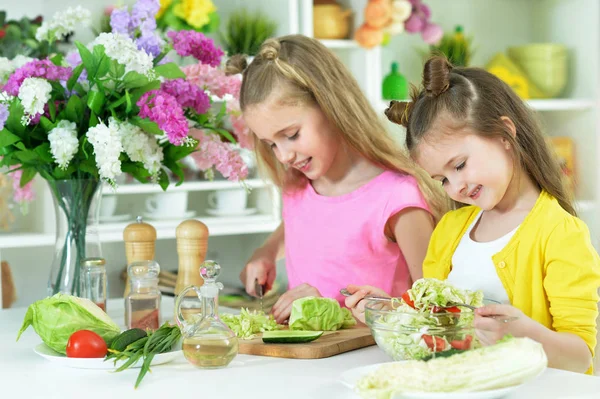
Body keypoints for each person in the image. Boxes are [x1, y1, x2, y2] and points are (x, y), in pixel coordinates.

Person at [346, 56, 600, 374]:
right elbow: (434, 319)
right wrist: (392, 309)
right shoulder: (450, 230)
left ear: (505, 134)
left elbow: (580, 357)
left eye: (460, 165)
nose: (456, 188)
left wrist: (524, 333)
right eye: (442, 179)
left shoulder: (561, 234)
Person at [225, 35, 448, 324]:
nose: (283, 156)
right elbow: (306, 224)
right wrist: (265, 252)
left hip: (371, 362)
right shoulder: (299, 186)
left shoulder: (397, 199)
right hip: (309, 364)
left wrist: (327, 308)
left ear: (332, 105)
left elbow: (435, 312)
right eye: (271, 144)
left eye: (291, 135)